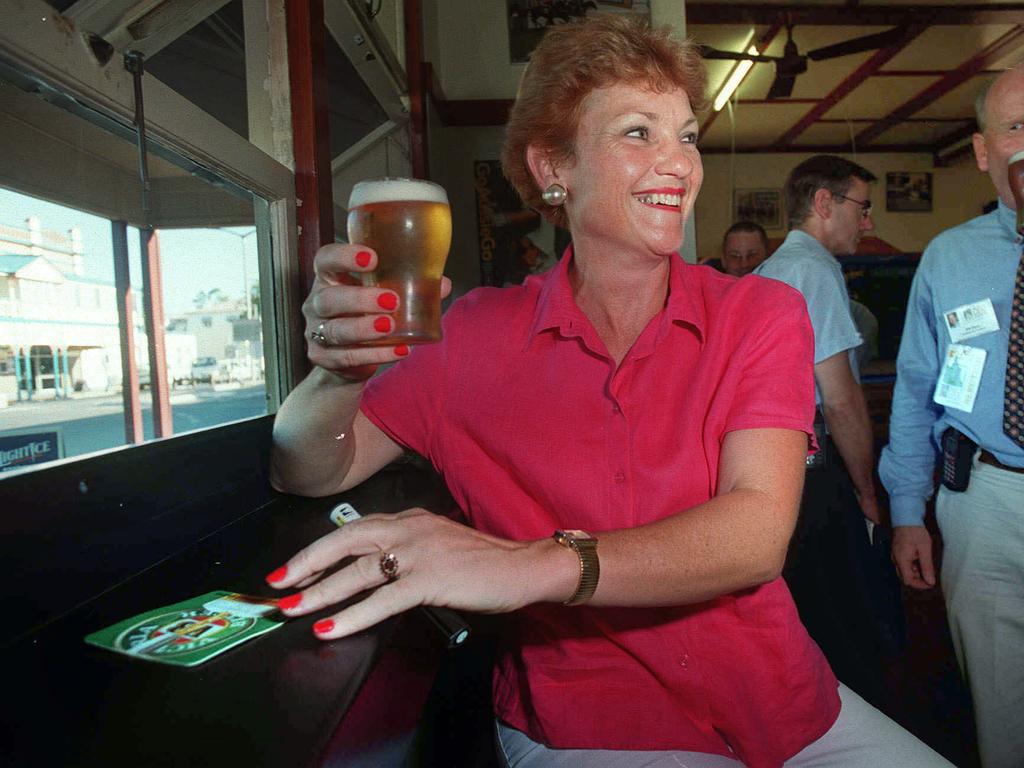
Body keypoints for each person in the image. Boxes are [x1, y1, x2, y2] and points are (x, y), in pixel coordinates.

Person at [268, 18, 947, 768]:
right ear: (554, 165)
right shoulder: (471, 335)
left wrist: (523, 563)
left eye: (686, 137)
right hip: (585, 716)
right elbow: (309, 467)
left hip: (776, 697)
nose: (679, 164)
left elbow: (756, 535)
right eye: (638, 132)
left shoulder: (758, 313)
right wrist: (336, 374)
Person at [879, 63, 1024, 768]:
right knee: (1000, 701)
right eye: (1016, 128)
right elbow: (915, 388)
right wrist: (909, 509)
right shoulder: (949, 257)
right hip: (985, 501)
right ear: (983, 150)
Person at [753, 155, 904, 710]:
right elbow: (839, 399)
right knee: (853, 624)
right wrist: (868, 491)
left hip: (778, 465)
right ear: (824, 204)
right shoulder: (814, 270)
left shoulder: (772, 270)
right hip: (818, 471)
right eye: (861, 209)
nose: (866, 224)